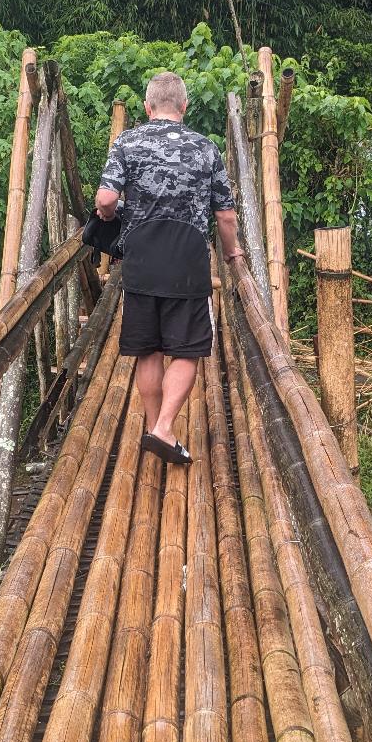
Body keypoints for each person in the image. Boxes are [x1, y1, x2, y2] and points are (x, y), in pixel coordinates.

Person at [95, 70, 243, 465]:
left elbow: (106, 199)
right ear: (184, 106)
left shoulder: (127, 141)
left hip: (141, 258)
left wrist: (110, 218)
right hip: (188, 259)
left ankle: (153, 427)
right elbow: (225, 216)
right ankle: (164, 427)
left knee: (147, 349)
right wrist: (232, 254)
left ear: (147, 107)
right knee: (186, 349)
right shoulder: (206, 149)